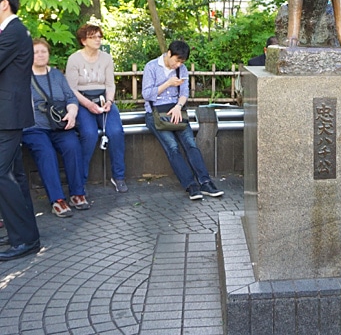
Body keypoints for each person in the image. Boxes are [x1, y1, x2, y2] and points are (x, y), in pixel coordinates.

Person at [142, 40, 224, 200]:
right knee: (172, 147)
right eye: (177, 60)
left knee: (191, 144)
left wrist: (179, 106)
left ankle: (206, 182)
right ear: (169, 54)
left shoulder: (182, 70)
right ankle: (191, 186)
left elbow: (185, 92)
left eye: (182, 62)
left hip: (176, 111)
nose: (178, 65)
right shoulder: (151, 67)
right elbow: (146, 94)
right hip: (156, 114)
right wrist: (168, 83)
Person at [22, 39, 89, 217]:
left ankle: (77, 192)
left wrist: (72, 113)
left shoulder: (57, 75)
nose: (41, 55)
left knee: (72, 146)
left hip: (59, 124)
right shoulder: (22, 76)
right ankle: (57, 199)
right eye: (36, 52)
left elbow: (71, 97)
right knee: (46, 152)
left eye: (44, 51)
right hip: (34, 127)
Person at [0, 0, 41, 261]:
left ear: (4, 4)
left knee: (2, 174)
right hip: (7, 113)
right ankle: (24, 234)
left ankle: (25, 238)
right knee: (13, 173)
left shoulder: (14, 32)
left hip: (8, 114)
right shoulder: (12, 31)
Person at [66, 23, 128, 193]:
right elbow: (71, 89)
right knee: (89, 134)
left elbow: (110, 84)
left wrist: (109, 101)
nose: (98, 40)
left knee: (116, 132)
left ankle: (118, 176)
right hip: (82, 100)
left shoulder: (106, 58)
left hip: (102, 98)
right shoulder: (74, 59)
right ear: (84, 40)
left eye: (99, 36)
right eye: (93, 37)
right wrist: (88, 104)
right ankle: (80, 180)